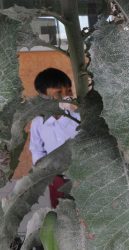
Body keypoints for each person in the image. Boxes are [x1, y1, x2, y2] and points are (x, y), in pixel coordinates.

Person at [29, 68, 80, 208]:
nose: (66, 96)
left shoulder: (79, 117)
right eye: (59, 93)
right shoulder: (38, 122)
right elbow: (36, 148)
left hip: (81, 175)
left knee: (83, 210)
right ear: (43, 96)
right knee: (60, 209)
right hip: (55, 177)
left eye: (69, 90)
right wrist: (42, 169)